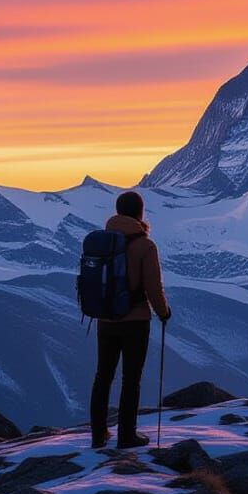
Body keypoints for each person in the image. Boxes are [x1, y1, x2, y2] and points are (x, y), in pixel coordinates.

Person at [89, 190, 171, 448]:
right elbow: (153, 287)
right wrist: (163, 313)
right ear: (139, 212)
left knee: (103, 376)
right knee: (130, 379)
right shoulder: (145, 245)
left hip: (106, 319)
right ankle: (127, 436)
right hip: (135, 320)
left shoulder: (102, 241)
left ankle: (98, 436)